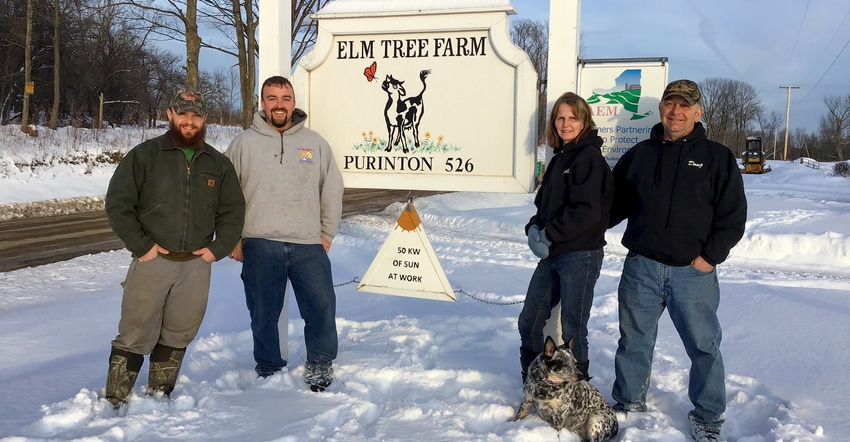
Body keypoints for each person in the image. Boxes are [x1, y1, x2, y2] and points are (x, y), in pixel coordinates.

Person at [608, 79, 747, 441]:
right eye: (670, 103)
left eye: (685, 105)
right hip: (642, 268)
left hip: (693, 273)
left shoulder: (717, 157)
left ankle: (707, 417)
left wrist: (708, 258)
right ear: (661, 109)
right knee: (634, 341)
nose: (676, 111)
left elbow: (732, 217)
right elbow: (610, 204)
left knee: (704, 347)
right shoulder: (640, 154)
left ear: (698, 111)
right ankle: (627, 404)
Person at [103, 88, 245, 407]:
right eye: (183, 114)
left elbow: (233, 211)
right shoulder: (145, 156)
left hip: (196, 264)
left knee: (181, 329)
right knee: (135, 329)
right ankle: (115, 397)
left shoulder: (218, 164)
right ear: (170, 115)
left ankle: (160, 393)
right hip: (154, 259)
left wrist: (217, 248)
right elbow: (118, 204)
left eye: (196, 115)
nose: (189, 121)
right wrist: (142, 246)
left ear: (205, 119)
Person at [225, 75, 344, 390]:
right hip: (260, 242)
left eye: (286, 98)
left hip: (308, 244)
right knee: (263, 312)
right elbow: (225, 196)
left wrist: (326, 234)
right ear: (262, 103)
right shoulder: (242, 144)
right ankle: (268, 366)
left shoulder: (315, 143)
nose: (279, 104)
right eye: (272, 98)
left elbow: (331, 190)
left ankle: (319, 364)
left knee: (320, 305)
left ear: (294, 102)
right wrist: (232, 238)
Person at [518, 92, 614, 383]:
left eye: (573, 117)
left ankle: (577, 391)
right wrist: (534, 227)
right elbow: (543, 206)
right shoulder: (560, 158)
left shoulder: (589, 159)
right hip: (553, 255)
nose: (566, 123)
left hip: (580, 255)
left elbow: (586, 212)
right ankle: (537, 383)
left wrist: (549, 233)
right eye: (560, 117)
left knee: (573, 329)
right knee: (530, 321)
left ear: (584, 121)